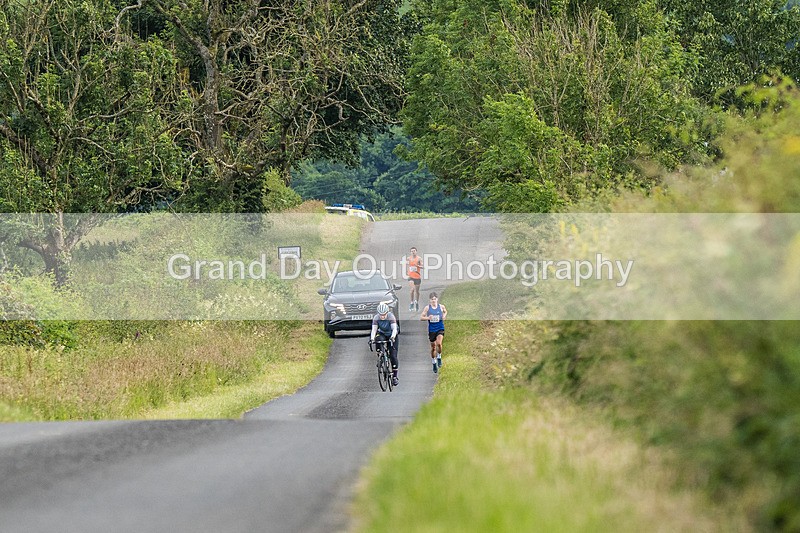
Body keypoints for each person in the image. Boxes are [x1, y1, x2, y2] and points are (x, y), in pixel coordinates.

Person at [370, 302, 399, 386]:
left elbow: (394, 329)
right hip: (382, 333)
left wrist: (393, 337)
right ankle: (380, 356)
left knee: (393, 355)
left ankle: (395, 377)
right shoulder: (376, 318)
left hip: (391, 334)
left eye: (384, 314)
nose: (382, 316)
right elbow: (374, 330)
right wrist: (372, 339)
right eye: (380, 315)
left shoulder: (391, 316)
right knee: (378, 339)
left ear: (387, 312)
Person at [420, 291, 446, 374]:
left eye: (435, 299)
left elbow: (445, 311)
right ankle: (434, 362)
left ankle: (439, 356)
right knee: (433, 347)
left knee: (439, 343)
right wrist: (428, 317)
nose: (433, 301)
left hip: (440, 328)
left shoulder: (441, 307)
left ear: (437, 299)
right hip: (432, 330)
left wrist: (444, 316)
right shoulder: (427, 308)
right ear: (430, 300)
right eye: (432, 299)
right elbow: (421, 317)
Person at [405, 246, 423, 311]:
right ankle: (411, 302)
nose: (413, 252)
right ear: (410, 252)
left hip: (417, 277)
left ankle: (416, 302)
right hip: (411, 276)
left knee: (417, 291)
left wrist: (418, 266)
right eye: (412, 251)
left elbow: (422, 266)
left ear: (416, 251)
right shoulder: (408, 259)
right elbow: (407, 265)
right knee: (412, 289)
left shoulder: (419, 259)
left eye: (414, 251)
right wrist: (407, 272)